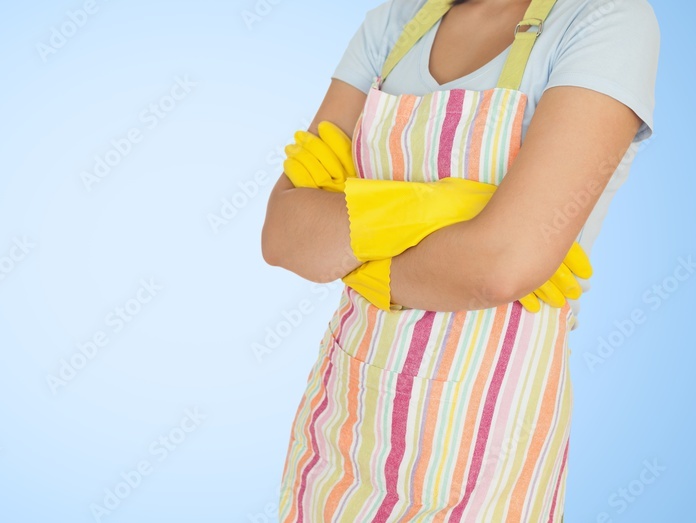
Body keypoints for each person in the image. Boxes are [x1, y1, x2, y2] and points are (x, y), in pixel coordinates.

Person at [259, 0, 659, 520]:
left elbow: (500, 268)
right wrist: (451, 206)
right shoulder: (395, 21)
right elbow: (283, 236)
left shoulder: (606, 20)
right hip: (341, 420)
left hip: (482, 437)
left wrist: (357, 245)